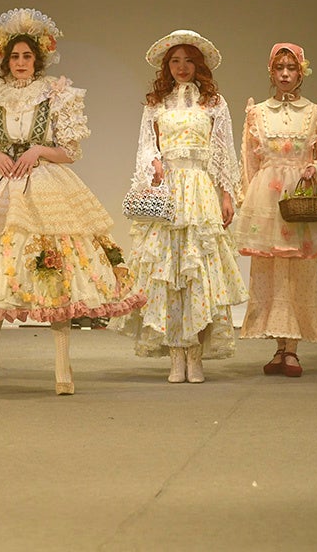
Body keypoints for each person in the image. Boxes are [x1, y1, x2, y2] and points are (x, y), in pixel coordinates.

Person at [0, 8, 143, 395]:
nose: (20, 63)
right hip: (1, 186)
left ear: (37, 59)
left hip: (45, 186)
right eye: (14, 56)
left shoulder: (56, 94)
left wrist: (38, 150)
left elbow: (70, 150)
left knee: (56, 271)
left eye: (26, 56)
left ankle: (62, 367)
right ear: (5, 60)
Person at [107, 30, 247, 383]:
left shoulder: (214, 103)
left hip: (200, 191)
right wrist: (153, 163)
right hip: (169, 192)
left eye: (188, 60)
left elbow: (223, 151)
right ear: (166, 65)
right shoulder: (157, 103)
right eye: (175, 60)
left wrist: (227, 195)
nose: (181, 67)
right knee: (168, 274)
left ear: (198, 64)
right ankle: (175, 356)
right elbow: (145, 146)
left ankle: (195, 355)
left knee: (197, 272)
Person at [235, 43, 317, 377]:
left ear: (301, 72)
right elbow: (249, 161)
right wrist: (246, 202)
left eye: (291, 68)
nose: (285, 74)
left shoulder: (315, 113)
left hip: (299, 198)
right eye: (279, 68)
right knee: (271, 271)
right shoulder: (256, 113)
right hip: (267, 200)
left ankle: (292, 348)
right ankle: (279, 347)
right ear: (271, 71)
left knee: (301, 269)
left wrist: (315, 169)